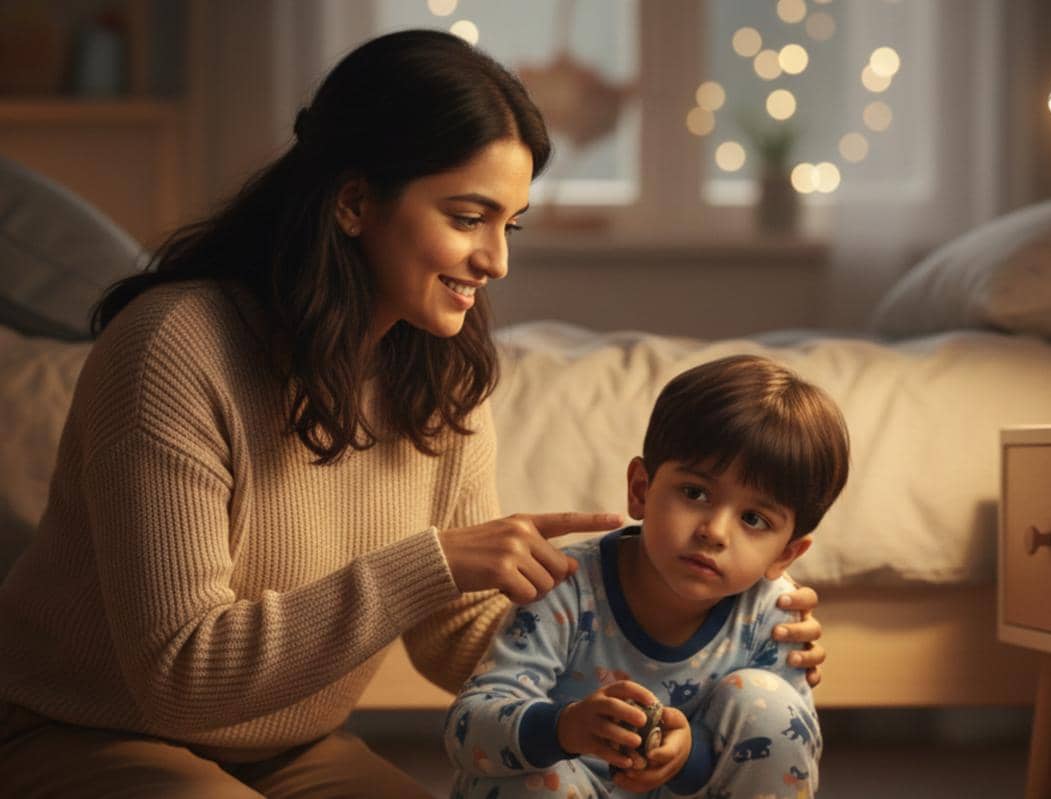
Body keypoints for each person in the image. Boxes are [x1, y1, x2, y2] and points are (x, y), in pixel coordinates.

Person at [0, 30, 827, 798]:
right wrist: (431, 563)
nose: (496, 260)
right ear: (354, 202)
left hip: (290, 747)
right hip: (81, 729)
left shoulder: (444, 378)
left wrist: (684, 617)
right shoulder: (172, 349)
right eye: (468, 218)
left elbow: (460, 634)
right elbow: (180, 674)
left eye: (510, 224)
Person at [445, 354, 850, 798]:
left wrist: (687, 758)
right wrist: (562, 728)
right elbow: (468, 731)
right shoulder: (565, 586)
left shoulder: (777, 614)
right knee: (539, 775)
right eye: (694, 493)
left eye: (754, 519)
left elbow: (780, 755)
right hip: (571, 786)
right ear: (641, 490)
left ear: (786, 554)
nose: (714, 532)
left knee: (771, 705)